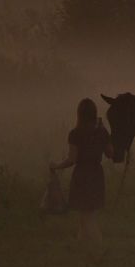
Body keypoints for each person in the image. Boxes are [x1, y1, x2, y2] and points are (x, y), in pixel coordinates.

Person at [51, 98, 115, 247]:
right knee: (86, 216)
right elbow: (110, 154)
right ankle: (82, 247)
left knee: (87, 217)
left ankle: (99, 247)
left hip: (82, 175)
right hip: (97, 175)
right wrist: (105, 133)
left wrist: (56, 166)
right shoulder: (102, 132)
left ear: (79, 114)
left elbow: (72, 159)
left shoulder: (75, 133)